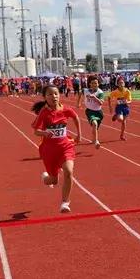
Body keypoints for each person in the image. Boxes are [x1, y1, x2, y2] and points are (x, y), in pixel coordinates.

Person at [31, 85, 81, 213]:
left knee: (69, 171)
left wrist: (79, 135)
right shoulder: (44, 112)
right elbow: (36, 131)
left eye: (56, 93)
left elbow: (76, 117)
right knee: (53, 180)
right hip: (49, 150)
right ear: (45, 97)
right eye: (50, 94)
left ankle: (65, 203)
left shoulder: (66, 110)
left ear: (59, 95)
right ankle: (45, 178)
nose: (53, 96)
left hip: (65, 147)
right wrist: (44, 133)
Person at [77, 75, 104, 149]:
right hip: (89, 111)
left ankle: (93, 139)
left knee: (95, 128)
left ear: (98, 84)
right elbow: (80, 92)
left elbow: (101, 103)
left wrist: (95, 98)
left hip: (99, 112)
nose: (94, 85)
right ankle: (96, 141)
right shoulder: (86, 90)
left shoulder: (100, 92)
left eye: (95, 83)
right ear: (90, 84)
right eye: (92, 83)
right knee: (94, 124)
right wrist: (78, 102)